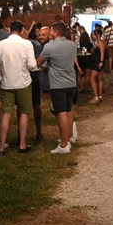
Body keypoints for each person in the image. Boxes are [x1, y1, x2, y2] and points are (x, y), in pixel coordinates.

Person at [0, 20, 37, 156]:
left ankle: (1, 147)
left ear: (9, 30)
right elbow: (32, 65)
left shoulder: (0, 45)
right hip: (23, 82)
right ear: (22, 30)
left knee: (6, 114)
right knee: (24, 113)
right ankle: (22, 145)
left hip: (7, 83)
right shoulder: (27, 44)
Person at [39, 22, 80, 153]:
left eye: (51, 30)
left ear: (55, 32)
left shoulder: (49, 46)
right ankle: (68, 138)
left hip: (58, 84)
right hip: (71, 83)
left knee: (61, 113)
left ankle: (63, 145)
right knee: (68, 111)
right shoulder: (72, 45)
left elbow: (39, 63)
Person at [88, 27, 106, 104]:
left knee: (92, 78)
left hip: (98, 62)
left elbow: (102, 53)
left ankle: (96, 96)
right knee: (100, 79)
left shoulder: (101, 42)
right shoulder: (98, 42)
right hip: (98, 61)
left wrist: (101, 61)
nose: (92, 36)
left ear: (98, 35)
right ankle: (100, 96)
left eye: (93, 35)